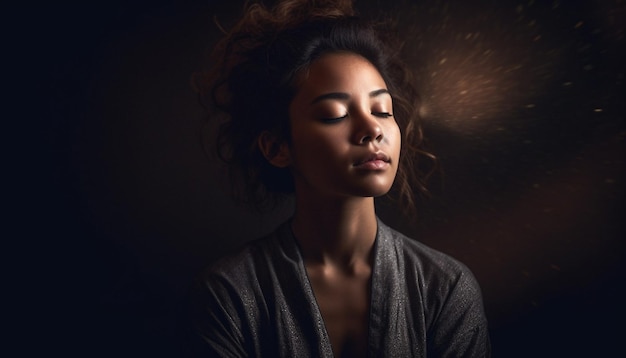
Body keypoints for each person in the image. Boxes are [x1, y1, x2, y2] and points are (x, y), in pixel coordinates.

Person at [185, 0, 491, 356]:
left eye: (382, 110)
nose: (372, 129)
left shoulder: (446, 289)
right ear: (276, 147)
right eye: (335, 114)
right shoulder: (229, 295)